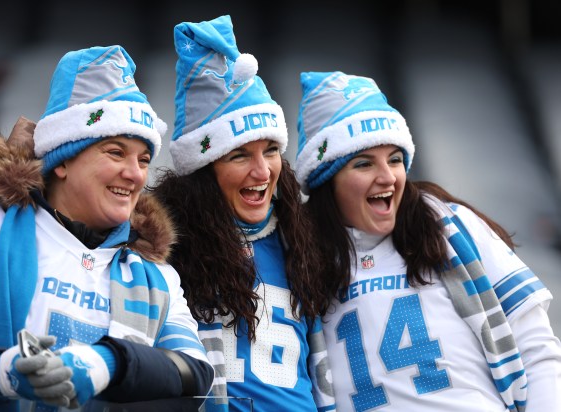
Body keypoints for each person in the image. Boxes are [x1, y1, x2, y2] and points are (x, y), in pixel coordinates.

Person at [0, 45, 214, 410]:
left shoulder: (157, 276)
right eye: (115, 153)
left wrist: (110, 364)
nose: (135, 174)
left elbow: (195, 374)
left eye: (144, 159)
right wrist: (4, 370)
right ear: (62, 161)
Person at [295, 71, 561, 411]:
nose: (388, 177)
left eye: (395, 159)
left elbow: (536, 346)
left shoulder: (452, 227)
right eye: (364, 164)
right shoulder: (299, 260)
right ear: (325, 182)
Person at [149, 15, 335, 411]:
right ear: (202, 171)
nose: (263, 171)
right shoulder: (157, 248)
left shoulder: (301, 243)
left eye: (270, 150)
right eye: (239, 155)